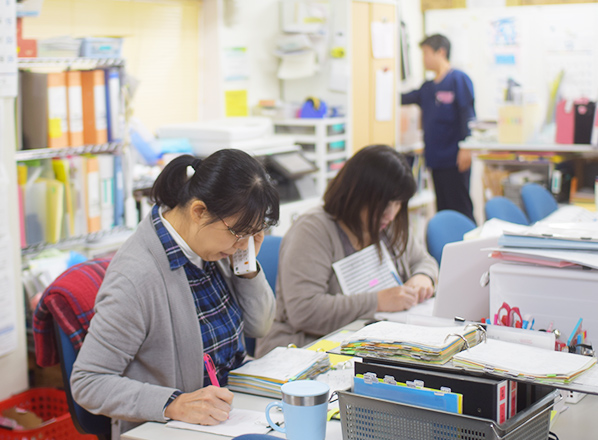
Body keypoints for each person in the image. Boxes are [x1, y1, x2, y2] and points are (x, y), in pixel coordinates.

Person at [71, 150, 279, 438]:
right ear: (198, 212)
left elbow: (260, 325)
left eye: (252, 234)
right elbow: (88, 382)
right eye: (237, 233)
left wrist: (246, 268)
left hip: (231, 411)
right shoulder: (137, 277)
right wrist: (174, 404)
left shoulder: (212, 245)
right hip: (174, 427)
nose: (241, 245)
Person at [255, 145, 438, 357]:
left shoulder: (386, 225)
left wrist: (423, 278)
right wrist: (378, 301)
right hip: (303, 349)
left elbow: (423, 261)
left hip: (365, 342)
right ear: (357, 194)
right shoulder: (313, 230)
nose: (392, 213)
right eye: (385, 204)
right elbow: (304, 310)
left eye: (398, 204)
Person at [401, 34, 476, 222]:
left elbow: (468, 115)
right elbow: (404, 98)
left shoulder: (458, 80)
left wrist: (466, 148)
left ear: (440, 52)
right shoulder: (427, 87)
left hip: (455, 158)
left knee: (460, 208)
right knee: (443, 210)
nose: (423, 59)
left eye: (426, 53)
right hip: (436, 160)